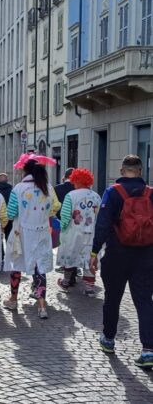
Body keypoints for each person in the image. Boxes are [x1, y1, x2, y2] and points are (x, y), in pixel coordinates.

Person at [89, 155, 153, 368]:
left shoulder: (113, 192)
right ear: (141, 172)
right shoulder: (151, 193)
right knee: (144, 301)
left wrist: (94, 252)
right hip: (145, 255)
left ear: (122, 170)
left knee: (112, 297)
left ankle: (108, 339)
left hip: (117, 254)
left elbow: (103, 224)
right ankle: (148, 350)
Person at [3, 154, 60, 319]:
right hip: (42, 231)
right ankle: (42, 305)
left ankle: (13, 300)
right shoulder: (48, 187)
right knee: (40, 267)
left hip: (21, 232)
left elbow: (11, 213)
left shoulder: (18, 189)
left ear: (25, 171)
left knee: (17, 265)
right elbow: (54, 207)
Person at [56, 168, 101, 296]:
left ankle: (65, 282)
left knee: (70, 256)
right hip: (91, 233)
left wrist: (63, 229)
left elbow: (65, 216)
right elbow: (100, 216)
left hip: (73, 232)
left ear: (76, 181)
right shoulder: (96, 196)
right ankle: (89, 287)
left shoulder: (70, 195)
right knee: (89, 259)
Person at [0, 173, 13, 240]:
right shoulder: (12, 190)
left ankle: (1, 250)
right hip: (9, 216)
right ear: (7, 180)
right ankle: (8, 250)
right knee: (9, 237)